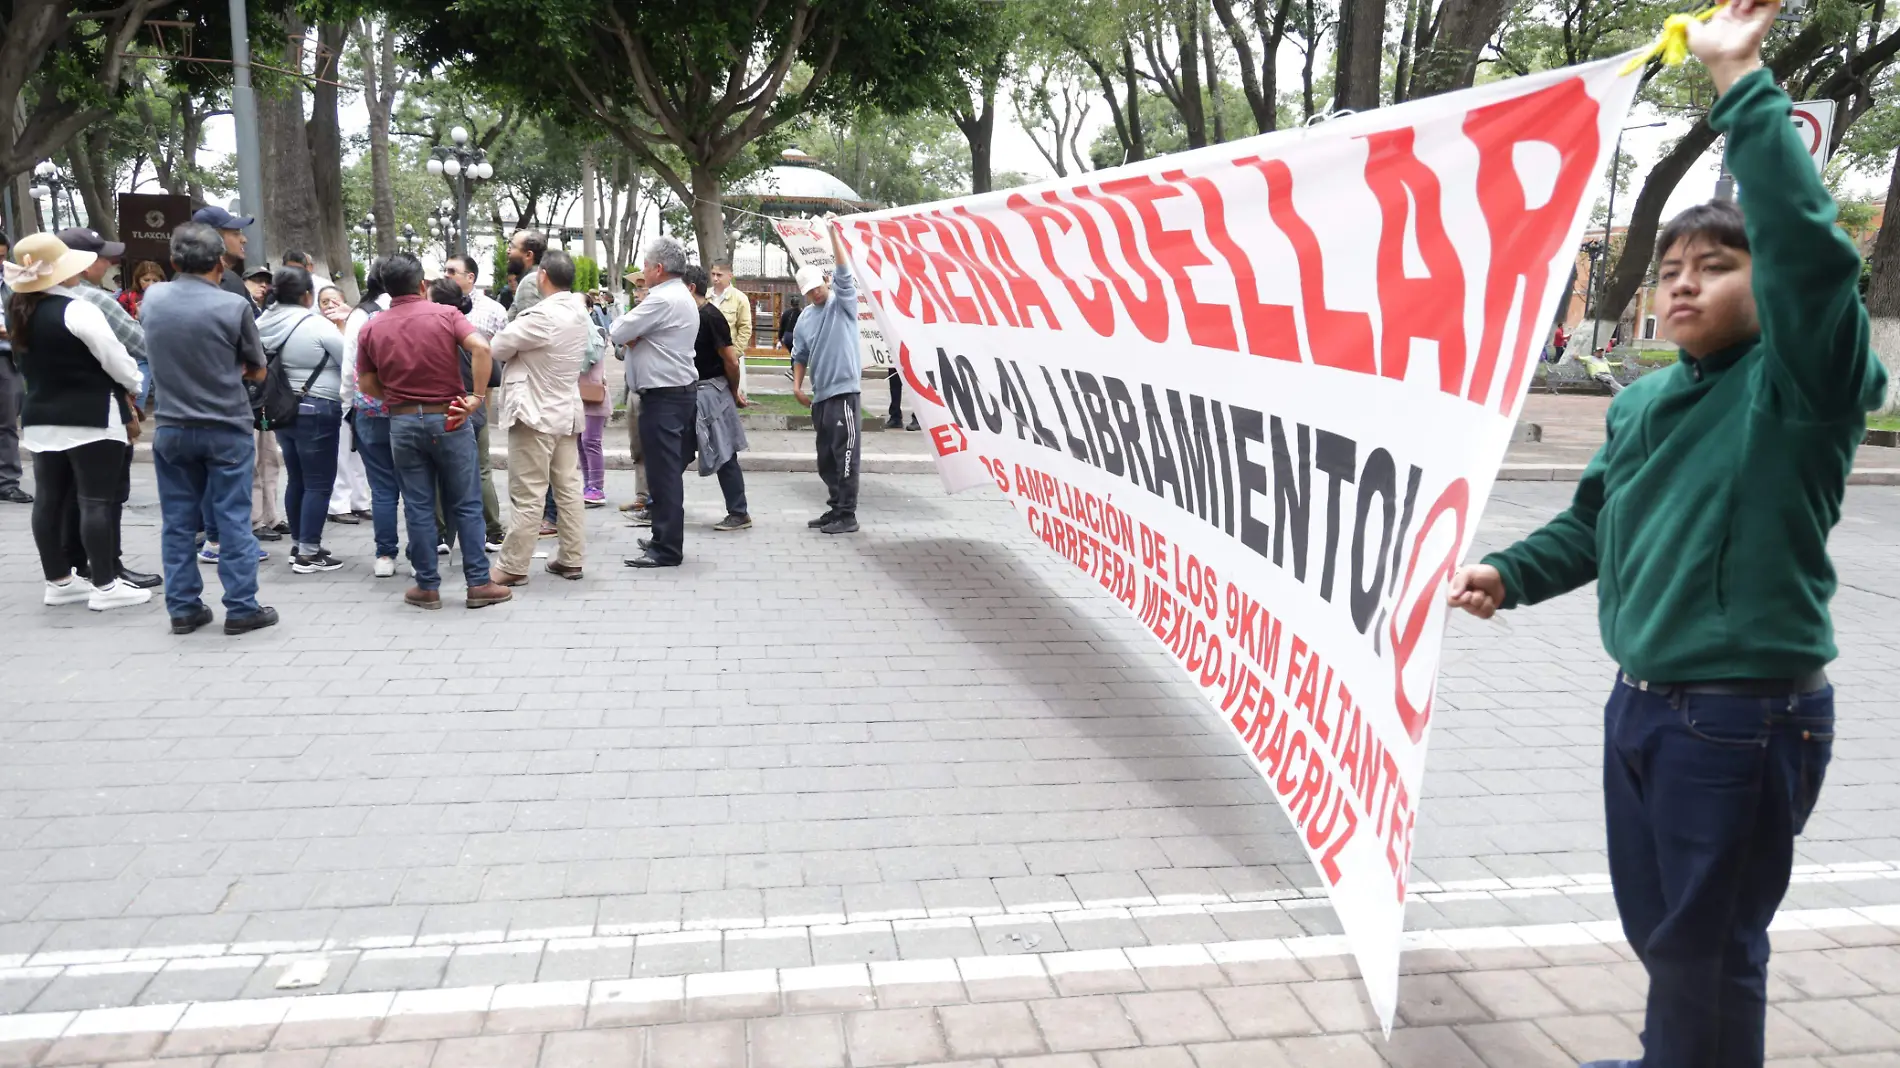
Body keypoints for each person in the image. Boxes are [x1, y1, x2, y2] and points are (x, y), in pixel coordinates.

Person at [1447, 6, 1888, 1067]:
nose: (1683, 281)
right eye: (1671, 267)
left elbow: (1812, 260)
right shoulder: (1643, 404)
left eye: (1717, 266)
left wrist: (1740, 85)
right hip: (1641, 705)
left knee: (1706, 943)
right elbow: (1595, 522)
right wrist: (1507, 572)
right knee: (1666, 934)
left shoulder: (1799, 387)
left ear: (1765, 288)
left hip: (1741, 718)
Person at [140, 222, 277, 635]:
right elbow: (257, 368)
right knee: (232, 517)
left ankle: (183, 607)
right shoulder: (232, 307)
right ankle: (240, 606)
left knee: (179, 520)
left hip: (172, 425)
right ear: (220, 262)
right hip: (225, 425)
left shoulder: (154, 297)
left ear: (173, 261)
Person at [355, 252, 513, 610]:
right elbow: (482, 347)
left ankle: (427, 585)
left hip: (403, 421)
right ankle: (478, 583)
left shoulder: (372, 326)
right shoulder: (446, 314)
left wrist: (397, 399)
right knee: (467, 501)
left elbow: (366, 382)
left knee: (418, 504)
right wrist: (475, 397)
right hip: (451, 418)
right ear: (422, 284)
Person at [3, 233, 149, 612]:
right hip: (92, 415)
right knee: (96, 501)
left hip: (40, 416)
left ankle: (59, 580)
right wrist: (135, 382)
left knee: (49, 500)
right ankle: (105, 584)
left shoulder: (17, 308)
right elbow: (116, 360)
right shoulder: (79, 309)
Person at [53, 228, 161, 589]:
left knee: (65, 493)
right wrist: (133, 383)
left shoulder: (35, 297)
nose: (109, 262)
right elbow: (138, 344)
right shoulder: (94, 301)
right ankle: (108, 570)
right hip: (101, 405)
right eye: (101, 256)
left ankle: (69, 568)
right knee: (107, 495)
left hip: (51, 410)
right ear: (81, 263)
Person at [489, 250, 589, 585]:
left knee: (528, 493)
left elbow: (499, 347)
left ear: (542, 275)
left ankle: (513, 566)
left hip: (534, 412)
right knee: (568, 488)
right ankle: (571, 558)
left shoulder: (541, 316)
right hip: (565, 410)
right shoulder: (579, 310)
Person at [610, 236, 699, 568]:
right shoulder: (678, 295)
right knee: (664, 473)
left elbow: (618, 330)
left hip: (664, 397)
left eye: (645, 266)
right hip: (672, 395)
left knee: (663, 476)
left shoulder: (662, 299)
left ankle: (667, 548)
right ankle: (663, 537)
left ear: (658, 269)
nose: (643, 272)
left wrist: (634, 335)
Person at [257, 266, 346, 573]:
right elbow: (350, 360)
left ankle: (300, 544)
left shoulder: (262, 322)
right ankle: (308, 552)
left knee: (297, 479)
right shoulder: (316, 326)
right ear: (308, 295)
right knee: (319, 484)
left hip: (282, 411)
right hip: (318, 409)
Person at [791, 218, 862, 534]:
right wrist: (797, 385)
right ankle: (835, 508)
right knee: (825, 458)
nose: (815, 294)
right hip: (820, 396)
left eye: (818, 287)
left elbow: (845, 274)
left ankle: (848, 515)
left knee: (845, 454)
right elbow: (800, 355)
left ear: (825, 282)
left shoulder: (842, 304)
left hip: (844, 392)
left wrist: (834, 235)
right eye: (809, 292)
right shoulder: (805, 318)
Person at [442, 254, 507, 550]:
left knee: (477, 467)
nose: (447, 275)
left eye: (452, 271)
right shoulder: (441, 314)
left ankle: (490, 529)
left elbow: (498, 355)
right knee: (469, 468)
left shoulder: (491, 310)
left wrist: (480, 397)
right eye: (445, 270)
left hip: (475, 397)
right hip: (458, 399)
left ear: (471, 277)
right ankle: (447, 533)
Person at [682, 265, 752, 532]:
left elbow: (731, 361)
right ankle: (657, 505)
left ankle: (739, 512)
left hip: (712, 391)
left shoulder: (711, 317)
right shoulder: (685, 316)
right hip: (687, 391)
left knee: (724, 453)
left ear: (690, 288)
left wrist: (733, 391)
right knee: (676, 451)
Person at [344, 266, 402, 577]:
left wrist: (347, 404)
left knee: (381, 487)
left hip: (368, 409)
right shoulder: (411, 315)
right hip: (406, 412)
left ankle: (384, 555)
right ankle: (423, 553)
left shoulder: (361, 317)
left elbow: (349, 365)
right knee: (416, 485)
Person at [616, 268, 651, 515]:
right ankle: (642, 494)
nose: (637, 293)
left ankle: (652, 498)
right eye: (636, 288)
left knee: (651, 446)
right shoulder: (634, 315)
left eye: (642, 287)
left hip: (650, 390)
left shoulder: (654, 314)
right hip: (633, 388)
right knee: (637, 447)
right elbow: (620, 349)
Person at [0, 228, 28, 505]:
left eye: (2, 257)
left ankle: (7, 482)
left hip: (8, 356)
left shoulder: (13, 282)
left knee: (8, 421)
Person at [191, 206, 257, 309]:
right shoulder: (229, 280)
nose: (244, 240)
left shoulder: (180, 278)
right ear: (213, 239)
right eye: (235, 234)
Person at [707, 262, 752, 398]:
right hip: (706, 356)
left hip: (729, 356)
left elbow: (745, 329)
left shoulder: (740, 299)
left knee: (731, 397)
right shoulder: (705, 295)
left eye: (719, 275)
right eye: (713, 274)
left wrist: (734, 354)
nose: (715, 278)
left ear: (730, 276)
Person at [505, 230, 548, 322]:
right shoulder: (538, 278)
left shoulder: (530, 281)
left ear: (528, 255)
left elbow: (530, 329)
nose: (507, 251)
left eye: (511, 247)